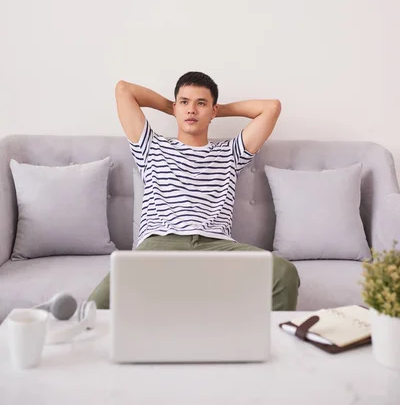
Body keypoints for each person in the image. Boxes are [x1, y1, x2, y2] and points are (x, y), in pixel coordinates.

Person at [89, 71, 300, 310]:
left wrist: (214, 109)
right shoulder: (151, 147)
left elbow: (271, 108)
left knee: (284, 273)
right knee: (95, 307)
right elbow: (123, 90)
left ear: (213, 111)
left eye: (201, 103)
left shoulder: (230, 153)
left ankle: (271, 345)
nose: (191, 110)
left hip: (214, 246)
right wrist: (173, 107)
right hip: (160, 245)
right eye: (184, 102)